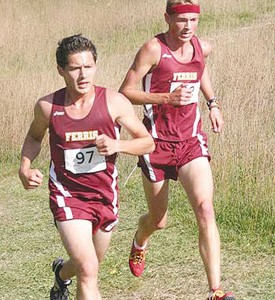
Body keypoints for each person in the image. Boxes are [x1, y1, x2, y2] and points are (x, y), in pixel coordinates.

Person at [18, 34, 154, 300]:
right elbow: (34, 137)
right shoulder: (48, 107)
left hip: (104, 196)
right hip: (68, 197)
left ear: (96, 66)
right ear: (61, 70)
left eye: (88, 66)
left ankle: (60, 274)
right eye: (75, 68)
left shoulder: (113, 102)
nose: (83, 75)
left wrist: (118, 145)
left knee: (88, 266)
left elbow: (147, 143)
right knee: (89, 269)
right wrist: (24, 167)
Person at [119, 1, 236, 299]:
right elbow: (125, 92)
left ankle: (216, 291)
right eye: (182, 20)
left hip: (190, 142)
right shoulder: (153, 50)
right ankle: (140, 240)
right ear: (168, 18)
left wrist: (213, 104)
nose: (187, 27)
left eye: (193, 20)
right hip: (155, 144)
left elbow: (200, 72)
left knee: (205, 209)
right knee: (158, 221)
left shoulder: (202, 47)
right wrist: (164, 98)